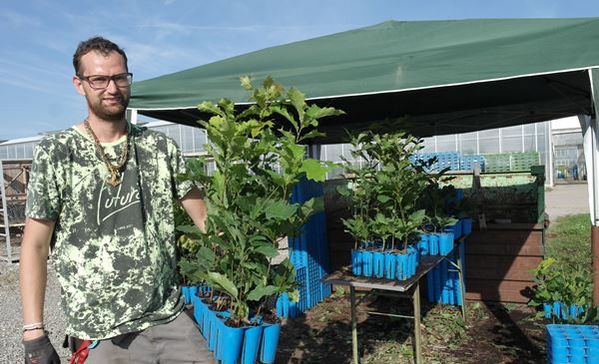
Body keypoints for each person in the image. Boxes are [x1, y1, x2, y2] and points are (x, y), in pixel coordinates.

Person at [20, 36, 211, 363]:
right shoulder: (57, 152)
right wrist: (33, 331)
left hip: (168, 315)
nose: (112, 88)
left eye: (120, 77)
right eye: (99, 79)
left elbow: (205, 217)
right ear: (79, 85)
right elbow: (35, 245)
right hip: (102, 331)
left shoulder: (160, 148)